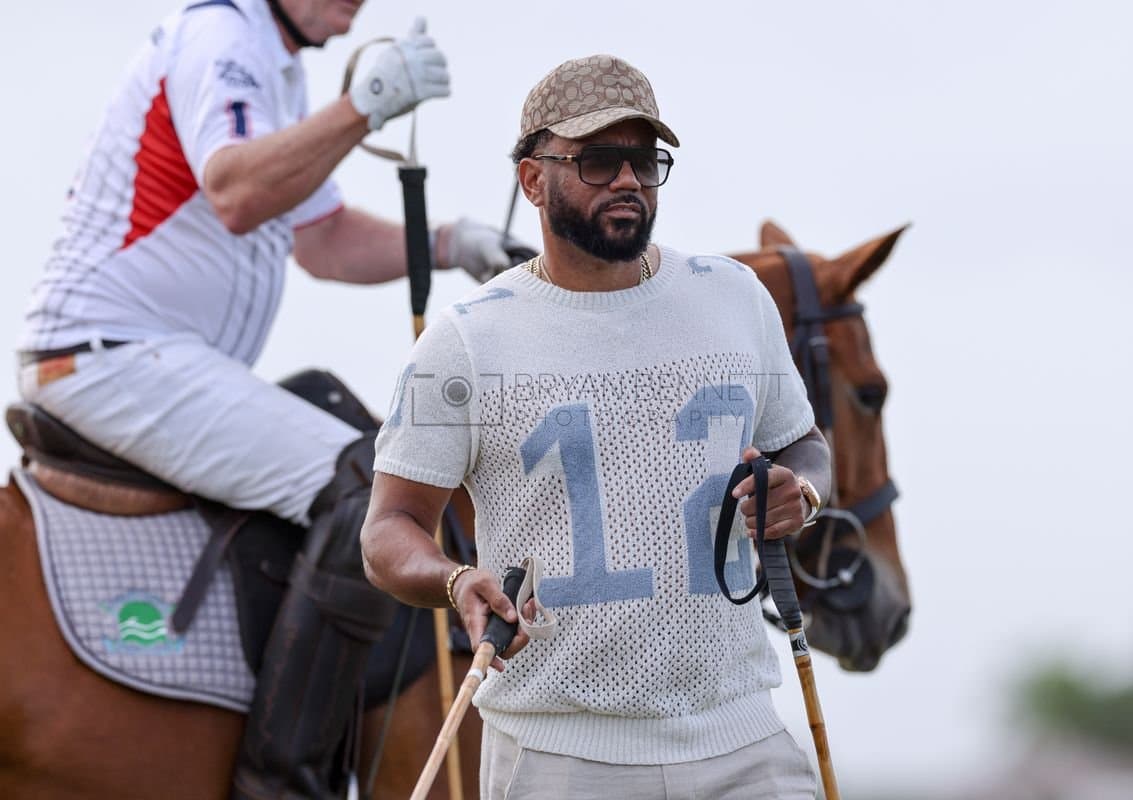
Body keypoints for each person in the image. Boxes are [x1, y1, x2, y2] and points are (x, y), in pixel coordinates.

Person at [14, 1, 524, 797]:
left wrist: (450, 241)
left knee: (347, 426)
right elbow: (236, 190)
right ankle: (281, 783)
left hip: (154, 359)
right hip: (111, 354)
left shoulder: (273, 71)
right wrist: (361, 110)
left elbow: (320, 241)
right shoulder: (223, 36)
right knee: (364, 492)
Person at [361, 54, 833, 799]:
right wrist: (454, 580)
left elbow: (803, 441)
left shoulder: (736, 298)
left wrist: (802, 489)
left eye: (644, 161)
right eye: (597, 160)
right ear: (532, 178)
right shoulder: (465, 339)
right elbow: (388, 529)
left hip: (743, 736)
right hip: (558, 754)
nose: (627, 181)